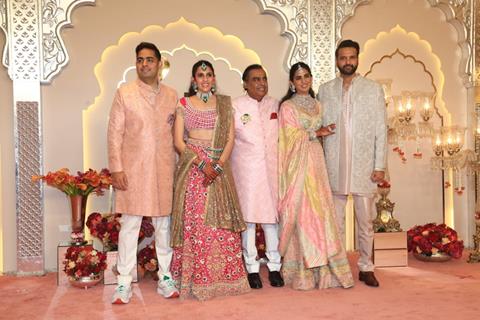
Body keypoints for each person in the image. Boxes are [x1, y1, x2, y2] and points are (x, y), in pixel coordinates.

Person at [170, 60, 250, 300]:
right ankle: (198, 278)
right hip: (194, 167)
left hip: (219, 166)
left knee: (220, 222)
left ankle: (224, 277)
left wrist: (217, 165)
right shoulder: (184, 104)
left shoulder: (225, 104)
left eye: (209, 75)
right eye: (200, 75)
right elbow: (178, 142)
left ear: (214, 78)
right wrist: (202, 164)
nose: (205, 79)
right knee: (197, 222)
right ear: (194, 79)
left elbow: (229, 139)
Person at [108, 42, 179, 304]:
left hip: (163, 167)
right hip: (133, 170)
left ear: (160, 64)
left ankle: (166, 277)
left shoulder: (172, 95)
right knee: (130, 225)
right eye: (140, 60)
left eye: (150, 60)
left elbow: (177, 135)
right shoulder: (124, 93)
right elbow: (114, 133)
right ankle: (124, 282)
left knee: (164, 226)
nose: (144, 64)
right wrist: (116, 168)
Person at [317, 39, 387, 287]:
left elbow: (381, 129)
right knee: (335, 222)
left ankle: (367, 267)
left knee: (365, 222)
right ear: (337, 60)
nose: (348, 62)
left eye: (352, 57)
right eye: (343, 58)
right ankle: (338, 266)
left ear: (358, 59)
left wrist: (379, 165)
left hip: (363, 165)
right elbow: (318, 126)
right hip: (334, 165)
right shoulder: (325, 90)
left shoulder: (372, 89)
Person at [278, 62, 354, 290]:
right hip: (298, 166)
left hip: (316, 161)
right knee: (304, 214)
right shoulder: (287, 107)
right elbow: (287, 137)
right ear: (292, 83)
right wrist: (315, 132)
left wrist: (324, 131)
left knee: (321, 211)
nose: (303, 81)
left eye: (307, 76)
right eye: (298, 77)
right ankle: (304, 269)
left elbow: (318, 134)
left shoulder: (317, 105)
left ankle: (325, 267)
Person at [230, 64, 284, 289]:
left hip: (272, 169)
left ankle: (274, 266)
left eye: (264, 78)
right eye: (255, 79)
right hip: (246, 170)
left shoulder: (276, 105)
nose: (261, 83)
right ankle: (251, 267)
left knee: (272, 220)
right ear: (245, 83)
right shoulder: (235, 105)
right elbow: (228, 138)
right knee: (250, 220)